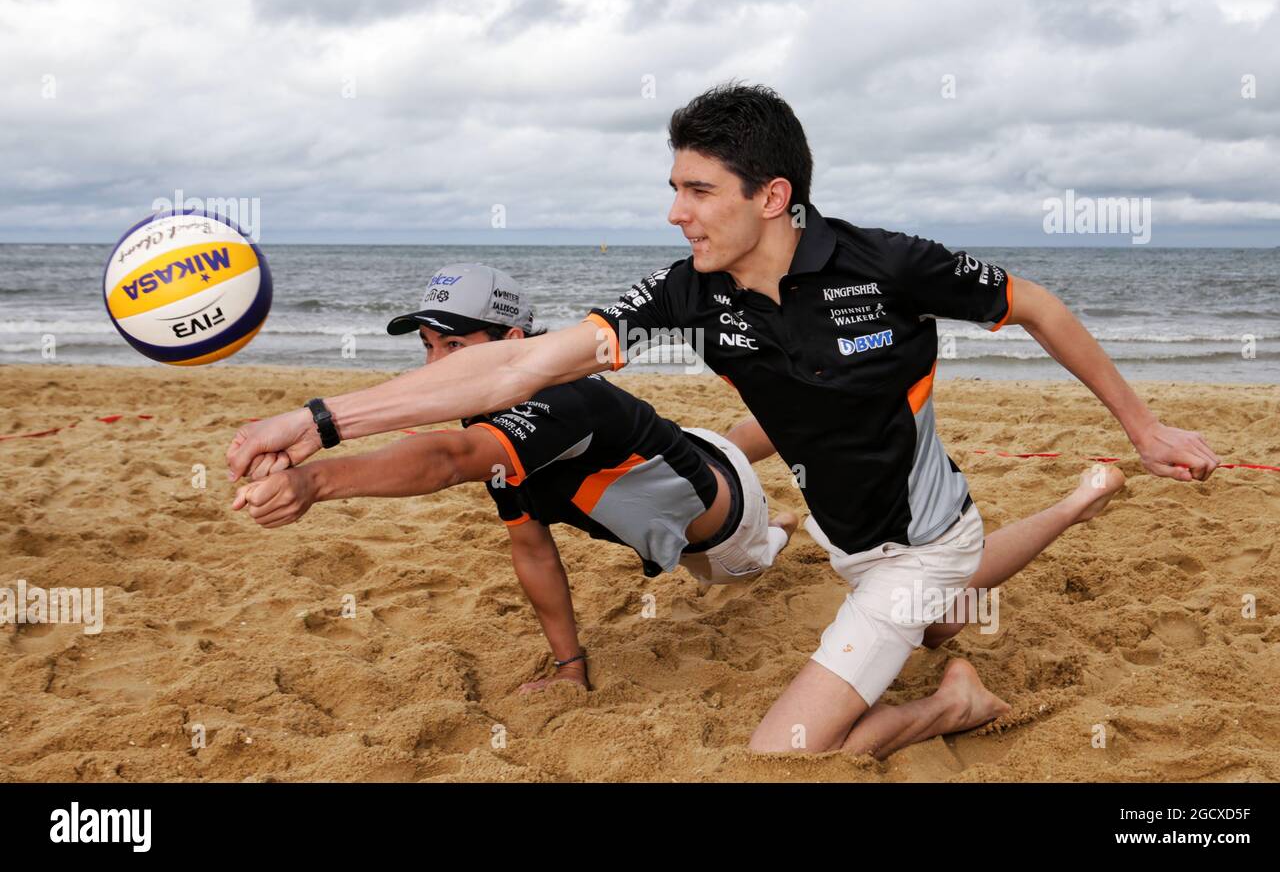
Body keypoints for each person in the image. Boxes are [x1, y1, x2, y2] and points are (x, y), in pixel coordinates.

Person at [227, 83, 1218, 759]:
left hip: (921, 531)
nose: (675, 212)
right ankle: (1079, 500)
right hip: (842, 530)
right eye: (673, 187)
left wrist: (1144, 427)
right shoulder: (687, 292)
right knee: (938, 594)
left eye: (696, 190)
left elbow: (1036, 302)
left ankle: (954, 701)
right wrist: (320, 418)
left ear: (771, 195)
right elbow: (521, 361)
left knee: (784, 750)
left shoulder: (887, 262)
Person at [231, 263, 796, 694]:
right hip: (685, 452)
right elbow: (531, 546)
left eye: (454, 346)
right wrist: (569, 667)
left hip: (726, 540)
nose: (437, 366)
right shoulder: (496, 421)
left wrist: (314, 483)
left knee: (757, 538)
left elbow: (448, 460)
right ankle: (806, 418)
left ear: (512, 344)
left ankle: (789, 516)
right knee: (731, 442)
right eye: (429, 347)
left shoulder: (556, 402)